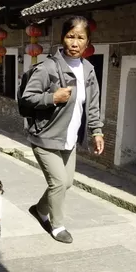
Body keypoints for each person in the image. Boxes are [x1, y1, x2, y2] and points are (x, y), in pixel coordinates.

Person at [19, 15, 105, 244]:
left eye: (80, 38)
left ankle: (39, 209)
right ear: (62, 38)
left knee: (67, 183)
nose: (74, 43)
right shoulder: (48, 68)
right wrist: (52, 97)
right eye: (70, 37)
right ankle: (56, 225)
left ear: (88, 42)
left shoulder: (88, 70)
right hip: (45, 137)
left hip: (69, 138)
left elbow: (93, 104)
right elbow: (28, 97)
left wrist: (97, 131)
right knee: (57, 183)